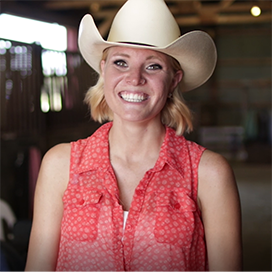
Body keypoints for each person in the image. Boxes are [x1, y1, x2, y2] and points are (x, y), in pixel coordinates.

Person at [25, 0, 242, 271]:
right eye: (121, 62)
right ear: (103, 70)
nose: (135, 78)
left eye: (153, 66)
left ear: (174, 80)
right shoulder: (60, 165)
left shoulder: (209, 174)